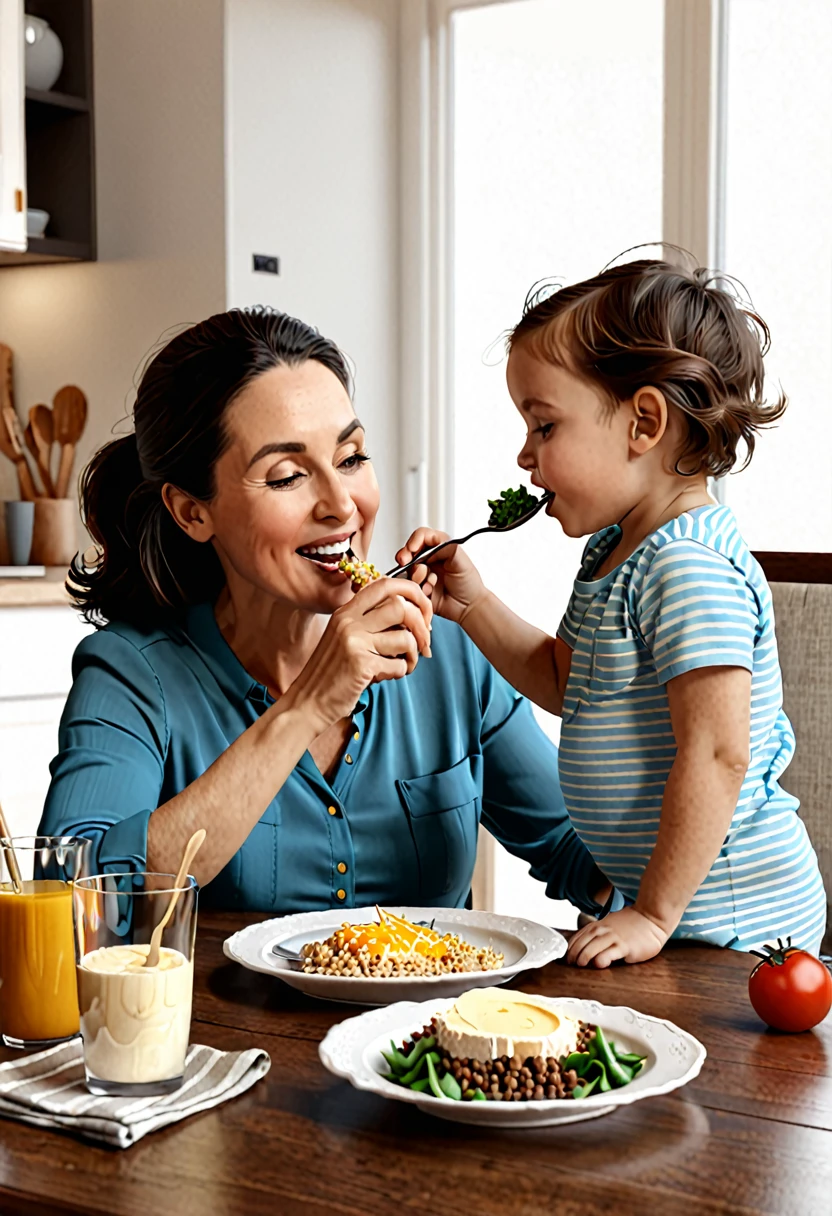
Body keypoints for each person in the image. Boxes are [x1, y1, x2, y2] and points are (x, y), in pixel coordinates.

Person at [39, 307, 608, 916]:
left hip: (429, 1016)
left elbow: (585, 859)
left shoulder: (448, 647)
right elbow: (69, 906)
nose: (341, 505)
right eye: (287, 477)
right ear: (191, 512)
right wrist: (306, 706)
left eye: (351, 458)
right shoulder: (131, 672)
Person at [398, 257, 827, 965]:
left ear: (644, 423)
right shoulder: (614, 550)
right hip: (672, 911)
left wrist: (654, 914)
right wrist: (471, 606)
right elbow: (568, 683)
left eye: (544, 426)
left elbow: (718, 752)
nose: (524, 456)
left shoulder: (687, 566)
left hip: (735, 922)